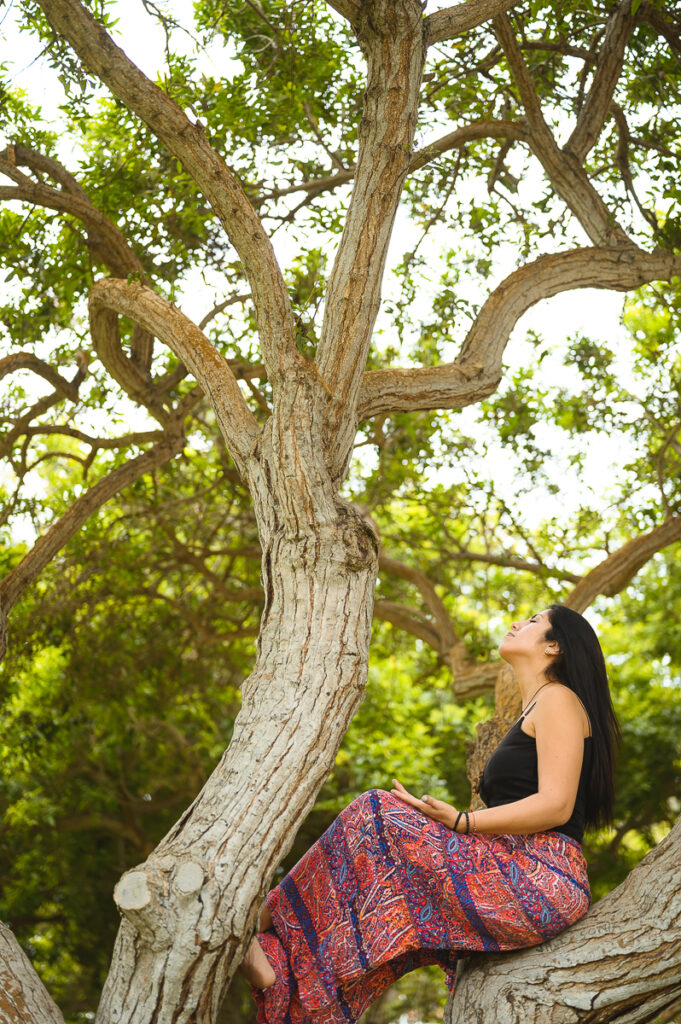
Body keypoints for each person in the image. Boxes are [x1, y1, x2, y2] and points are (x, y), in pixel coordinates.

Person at [240, 604, 620, 1023]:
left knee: (376, 813)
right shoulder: (536, 708)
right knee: (392, 911)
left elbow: (556, 804)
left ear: (554, 646)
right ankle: (285, 984)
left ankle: (258, 917)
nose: (515, 622)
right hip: (514, 869)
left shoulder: (559, 700)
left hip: (542, 879)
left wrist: (461, 822)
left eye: (532, 622)